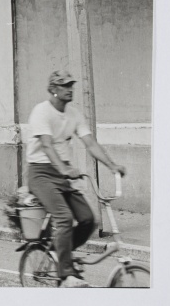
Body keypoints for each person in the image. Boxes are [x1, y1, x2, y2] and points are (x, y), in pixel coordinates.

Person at [26, 70, 126, 288]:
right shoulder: (41, 112)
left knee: (88, 219)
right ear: (53, 89)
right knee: (63, 217)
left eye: (71, 85)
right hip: (41, 173)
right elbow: (47, 145)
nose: (69, 89)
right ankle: (67, 275)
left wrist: (112, 166)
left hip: (62, 175)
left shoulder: (74, 114)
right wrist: (64, 168)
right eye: (64, 85)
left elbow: (90, 143)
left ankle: (60, 252)